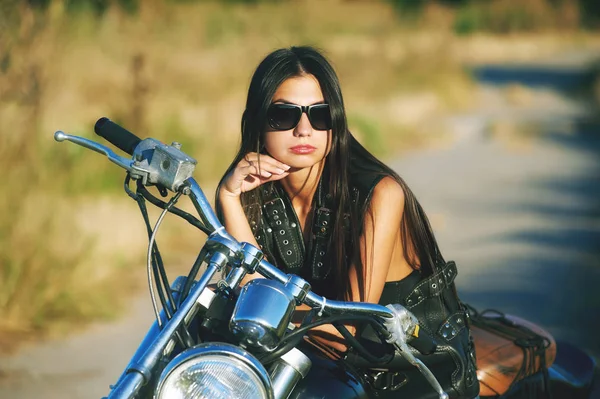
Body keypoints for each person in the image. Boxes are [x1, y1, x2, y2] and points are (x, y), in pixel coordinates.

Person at [215, 46, 479, 398]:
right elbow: (253, 291)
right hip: (316, 375)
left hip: (411, 376)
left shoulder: (380, 194)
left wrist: (262, 313)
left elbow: (345, 333)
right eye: (284, 115)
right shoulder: (253, 193)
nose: (304, 129)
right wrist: (227, 197)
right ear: (256, 123)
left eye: (319, 115)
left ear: (335, 122)